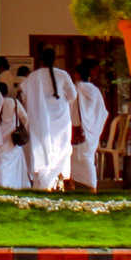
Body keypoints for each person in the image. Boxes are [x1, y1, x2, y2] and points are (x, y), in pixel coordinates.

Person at [19, 48, 77, 191]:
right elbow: (72, 96)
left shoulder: (33, 77)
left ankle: (43, 185)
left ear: (41, 60)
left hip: (40, 121)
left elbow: (23, 95)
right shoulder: (63, 75)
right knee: (61, 150)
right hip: (61, 121)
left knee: (41, 151)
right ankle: (57, 182)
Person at [69, 58, 109, 192]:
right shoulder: (95, 91)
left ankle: (76, 185)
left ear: (78, 75)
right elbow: (103, 112)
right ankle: (91, 187)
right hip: (91, 132)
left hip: (77, 129)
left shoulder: (75, 89)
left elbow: (69, 107)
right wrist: (93, 128)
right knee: (87, 159)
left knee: (75, 159)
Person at [0, 69, 33, 190]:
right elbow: (25, 118)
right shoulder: (13, 102)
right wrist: (21, 129)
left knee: (1, 166)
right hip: (12, 141)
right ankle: (14, 186)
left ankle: (2, 185)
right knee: (15, 167)